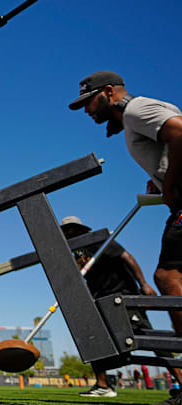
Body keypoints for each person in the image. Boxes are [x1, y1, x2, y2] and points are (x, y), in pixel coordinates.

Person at [70, 71, 182, 334]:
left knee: (168, 276)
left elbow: (179, 133)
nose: (86, 110)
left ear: (109, 92)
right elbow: (170, 142)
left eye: (89, 101)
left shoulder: (135, 110)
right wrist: (161, 175)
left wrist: (170, 184)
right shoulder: (137, 117)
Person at [60, 216, 182, 397]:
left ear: (80, 230)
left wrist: (143, 283)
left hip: (122, 295)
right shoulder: (76, 252)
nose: (67, 234)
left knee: (148, 335)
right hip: (100, 298)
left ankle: (180, 380)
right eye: (64, 230)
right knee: (93, 336)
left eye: (70, 229)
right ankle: (103, 385)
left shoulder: (98, 241)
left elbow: (127, 257)